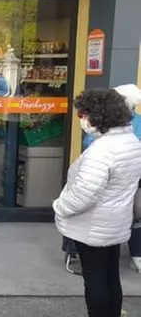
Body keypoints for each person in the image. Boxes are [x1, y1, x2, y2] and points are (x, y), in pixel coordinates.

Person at [53, 89, 141, 317]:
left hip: (93, 225)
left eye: (83, 114)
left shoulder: (101, 151)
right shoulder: (131, 141)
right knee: (111, 273)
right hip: (117, 221)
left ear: (99, 115)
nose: (81, 119)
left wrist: (60, 208)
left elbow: (84, 193)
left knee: (93, 276)